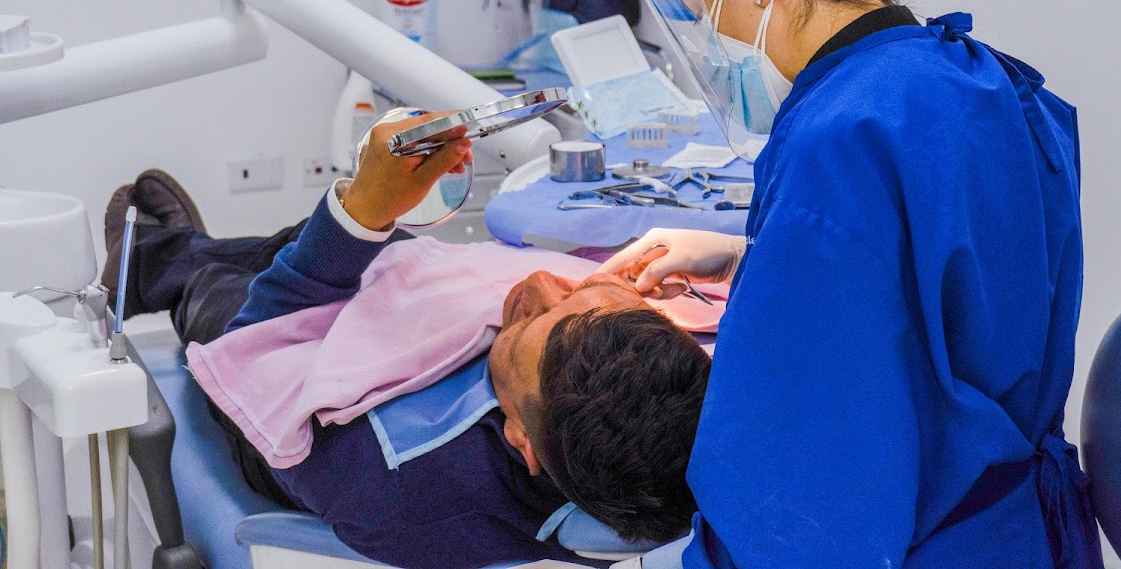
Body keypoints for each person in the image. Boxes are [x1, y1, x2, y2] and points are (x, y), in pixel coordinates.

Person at [599, 0, 1104, 567]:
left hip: (925, 539)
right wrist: (752, 258)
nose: (711, 37)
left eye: (708, 9)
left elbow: (801, 494)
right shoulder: (972, 77)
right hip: (1010, 527)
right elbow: (956, 289)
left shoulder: (839, 139)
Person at [107, 113, 710, 569]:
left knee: (226, 293)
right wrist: (734, 255)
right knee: (349, 245)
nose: (537, 285)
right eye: (585, 292)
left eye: (526, 323)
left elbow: (261, 344)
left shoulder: (391, 482)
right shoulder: (684, 403)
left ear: (523, 441)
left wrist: (356, 215)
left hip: (289, 427)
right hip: (420, 359)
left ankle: (150, 267)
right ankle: (190, 250)